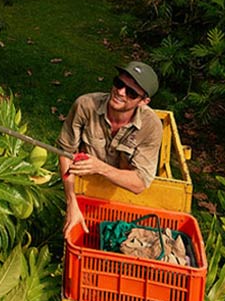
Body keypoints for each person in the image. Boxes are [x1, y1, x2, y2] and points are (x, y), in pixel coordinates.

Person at [56, 61, 163, 236]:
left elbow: (139, 183)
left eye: (131, 92)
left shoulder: (151, 126)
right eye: (119, 83)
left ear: (144, 101)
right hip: (83, 187)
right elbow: (65, 152)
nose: (120, 92)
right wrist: (71, 202)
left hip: (122, 196)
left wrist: (99, 167)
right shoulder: (85, 105)